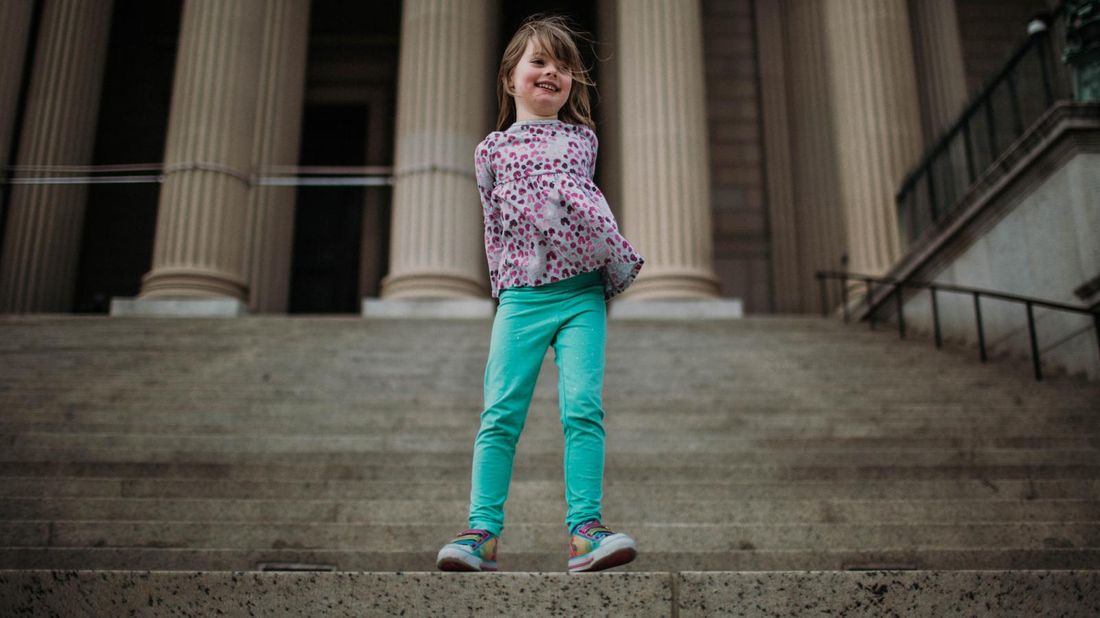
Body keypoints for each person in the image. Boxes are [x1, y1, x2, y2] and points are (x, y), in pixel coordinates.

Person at [435, 14, 644, 574]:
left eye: (564, 65)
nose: (552, 72)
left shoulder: (583, 139)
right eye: (539, 61)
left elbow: (577, 205)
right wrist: (503, 288)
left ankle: (586, 533)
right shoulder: (490, 151)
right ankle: (481, 532)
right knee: (500, 414)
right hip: (522, 299)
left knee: (583, 408)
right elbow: (495, 224)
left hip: (580, 296)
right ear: (510, 78)